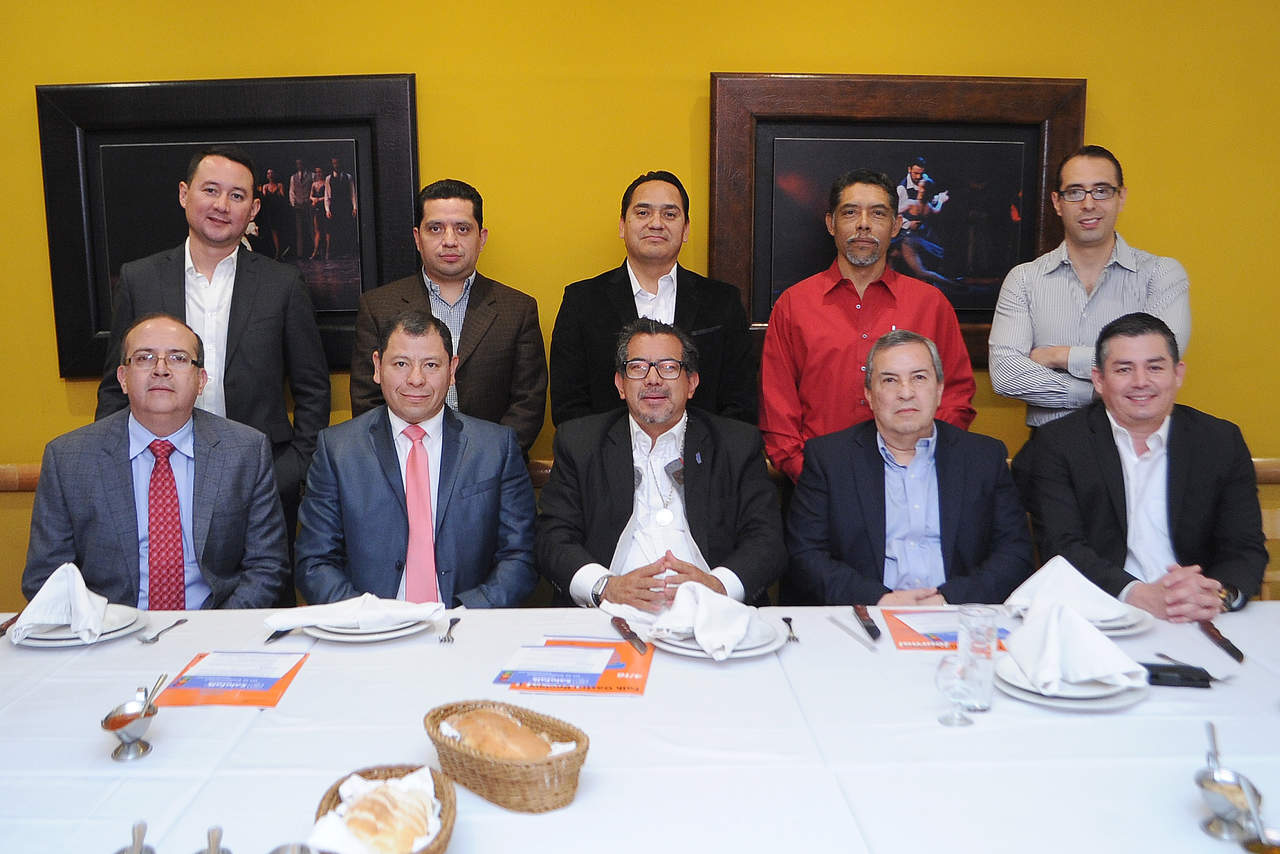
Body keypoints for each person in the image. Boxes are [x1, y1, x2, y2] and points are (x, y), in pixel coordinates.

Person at [94, 144, 330, 600]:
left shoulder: (282, 284)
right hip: (156, 475)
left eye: (237, 196)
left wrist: (290, 472)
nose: (222, 205)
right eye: (210, 190)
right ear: (185, 194)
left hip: (257, 482)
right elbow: (113, 386)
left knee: (258, 611)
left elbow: (313, 390)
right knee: (152, 602)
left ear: (253, 209)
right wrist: (114, 469)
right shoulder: (140, 279)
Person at [24, 314, 289, 609]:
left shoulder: (246, 451)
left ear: (201, 380)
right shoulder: (68, 459)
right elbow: (47, 578)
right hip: (108, 628)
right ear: (123, 378)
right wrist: (104, 626)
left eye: (178, 358)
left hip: (214, 623)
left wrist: (216, 627)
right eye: (144, 358)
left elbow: (267, 566)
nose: (160, 369)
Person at [1028, 313, 1265, 621]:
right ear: (1099, 380)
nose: (1141, 382)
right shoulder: (1059, 443)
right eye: (1124, 369)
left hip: (1198, 612)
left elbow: (1244, 546)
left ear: (1177, 374)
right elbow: (1061, 546)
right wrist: (1135, 593)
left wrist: (1217, 594)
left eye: (1155, 367)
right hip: (1102, 611)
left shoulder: (1220, 441)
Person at [537, 318, 785, 610]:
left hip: (711, 613)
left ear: (691, 383)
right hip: (608, 612)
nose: (653, 379)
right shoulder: (580, 443)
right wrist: (605, 587)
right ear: (620, 384)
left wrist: (718, 586)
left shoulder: (736, 444)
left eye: (668, 367)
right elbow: (552, 537)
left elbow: (767, 540)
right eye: (638, 367)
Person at [296, 310, 537, 607]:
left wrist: (469, 613)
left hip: (468, 624)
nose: (416, 379)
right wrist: (367, 616)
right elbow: (315, 562)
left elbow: (520, 556)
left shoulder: (495, 448)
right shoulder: (337, 450)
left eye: (431, 365)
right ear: (377, 367)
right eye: (401, 364)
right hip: (368, 626)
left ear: (452, 370)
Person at [760, 168, 976, 482]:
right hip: (819, 484)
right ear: (831, 224)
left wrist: (919, 467)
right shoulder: (793, 305)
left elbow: (956, 399)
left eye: (878, 213)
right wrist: (812, 478)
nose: (863, 224)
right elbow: (778, 412)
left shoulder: (930, 305)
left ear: (896, 225)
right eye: (850, 212)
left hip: (915, 481)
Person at [786, 330, 1031, 606]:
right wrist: (878, 600)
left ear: (939, 389)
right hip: (867, 614)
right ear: (869, 395)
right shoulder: (830, 459)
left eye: (919, 378)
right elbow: (806, 555)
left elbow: (1015, 553)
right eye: (890, 380)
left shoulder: (983, 458)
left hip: (959, 613)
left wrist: (948, 599)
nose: (906, 393)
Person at [989, 145, 1191, 428]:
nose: (1088, 204)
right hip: (1049, 444)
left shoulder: (1161, 274)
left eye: (1101, 190)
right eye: (1075, 192)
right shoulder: (1024, 279)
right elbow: (1006, 375)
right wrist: (1101, 392)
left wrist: (1061, 356)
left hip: (1136, 442)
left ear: (1121, 197)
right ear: (1057, 202)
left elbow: (1163, 360)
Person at [349, 179, 547, 454]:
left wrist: (489, 459)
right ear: (418, 238)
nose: (450, 241)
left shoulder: (517, 309)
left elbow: (528, 402)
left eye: (462, 228)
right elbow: (367, 400)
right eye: (436, 228)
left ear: (482, 238)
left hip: (492, 464)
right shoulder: (378, 306)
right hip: (402, 462)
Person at [549, 170, 755, 427]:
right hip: (606, 450)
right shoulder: (582, 301)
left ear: (686, 229)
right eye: (643, 212)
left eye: (669, 214)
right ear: (622, 225)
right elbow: (569, 406)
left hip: (704, 450)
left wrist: (703, 448)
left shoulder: (723, 301)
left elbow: (740, 401)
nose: (656, 223)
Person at [324, 155, 357, 257]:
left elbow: (352, 193)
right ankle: (336, 252)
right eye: (334, 163)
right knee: (335, 229)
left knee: (346, 228)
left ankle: (346, 251)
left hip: (345, 205)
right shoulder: (329, 178)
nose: (336, 165)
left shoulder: (348, 177)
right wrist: (327, 209)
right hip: (334, 205)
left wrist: (354, 207)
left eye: (337, 163)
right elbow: (327, 195)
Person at [289, 159, 312, 259]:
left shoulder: (311, 175)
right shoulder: (293, 177)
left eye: (301, 163)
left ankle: (312, 251)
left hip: (308, 205)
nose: (299, 165)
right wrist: (293, 203)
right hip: (298, 206)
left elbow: (314, 188)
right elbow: (292, 191)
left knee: (310, 229)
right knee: (299, 231)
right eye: (297, 164)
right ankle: (300, 253)